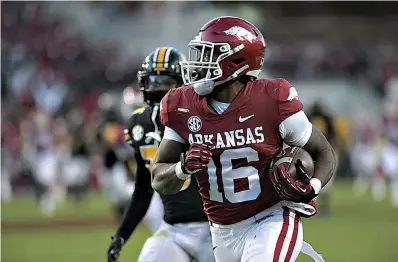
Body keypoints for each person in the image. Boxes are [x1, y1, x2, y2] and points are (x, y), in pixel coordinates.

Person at [152, 16, 337, 262]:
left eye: (208, 54)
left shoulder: (272, 99)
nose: (198, 64)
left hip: (271, 217)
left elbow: (323, 151)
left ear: (235, 61)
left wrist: (311, 188)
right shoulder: (181, 106)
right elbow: (158, 178)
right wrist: (182, 168)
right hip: (222, 230)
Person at [107, 47, 215, 262]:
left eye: (166, 82)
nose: (158, 88)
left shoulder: (203, 117)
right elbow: (143, 188)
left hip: (216, 227)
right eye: (153, 82)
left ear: (182, 83)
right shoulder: (139, 124)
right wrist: (122, 235)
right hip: (174, 229)